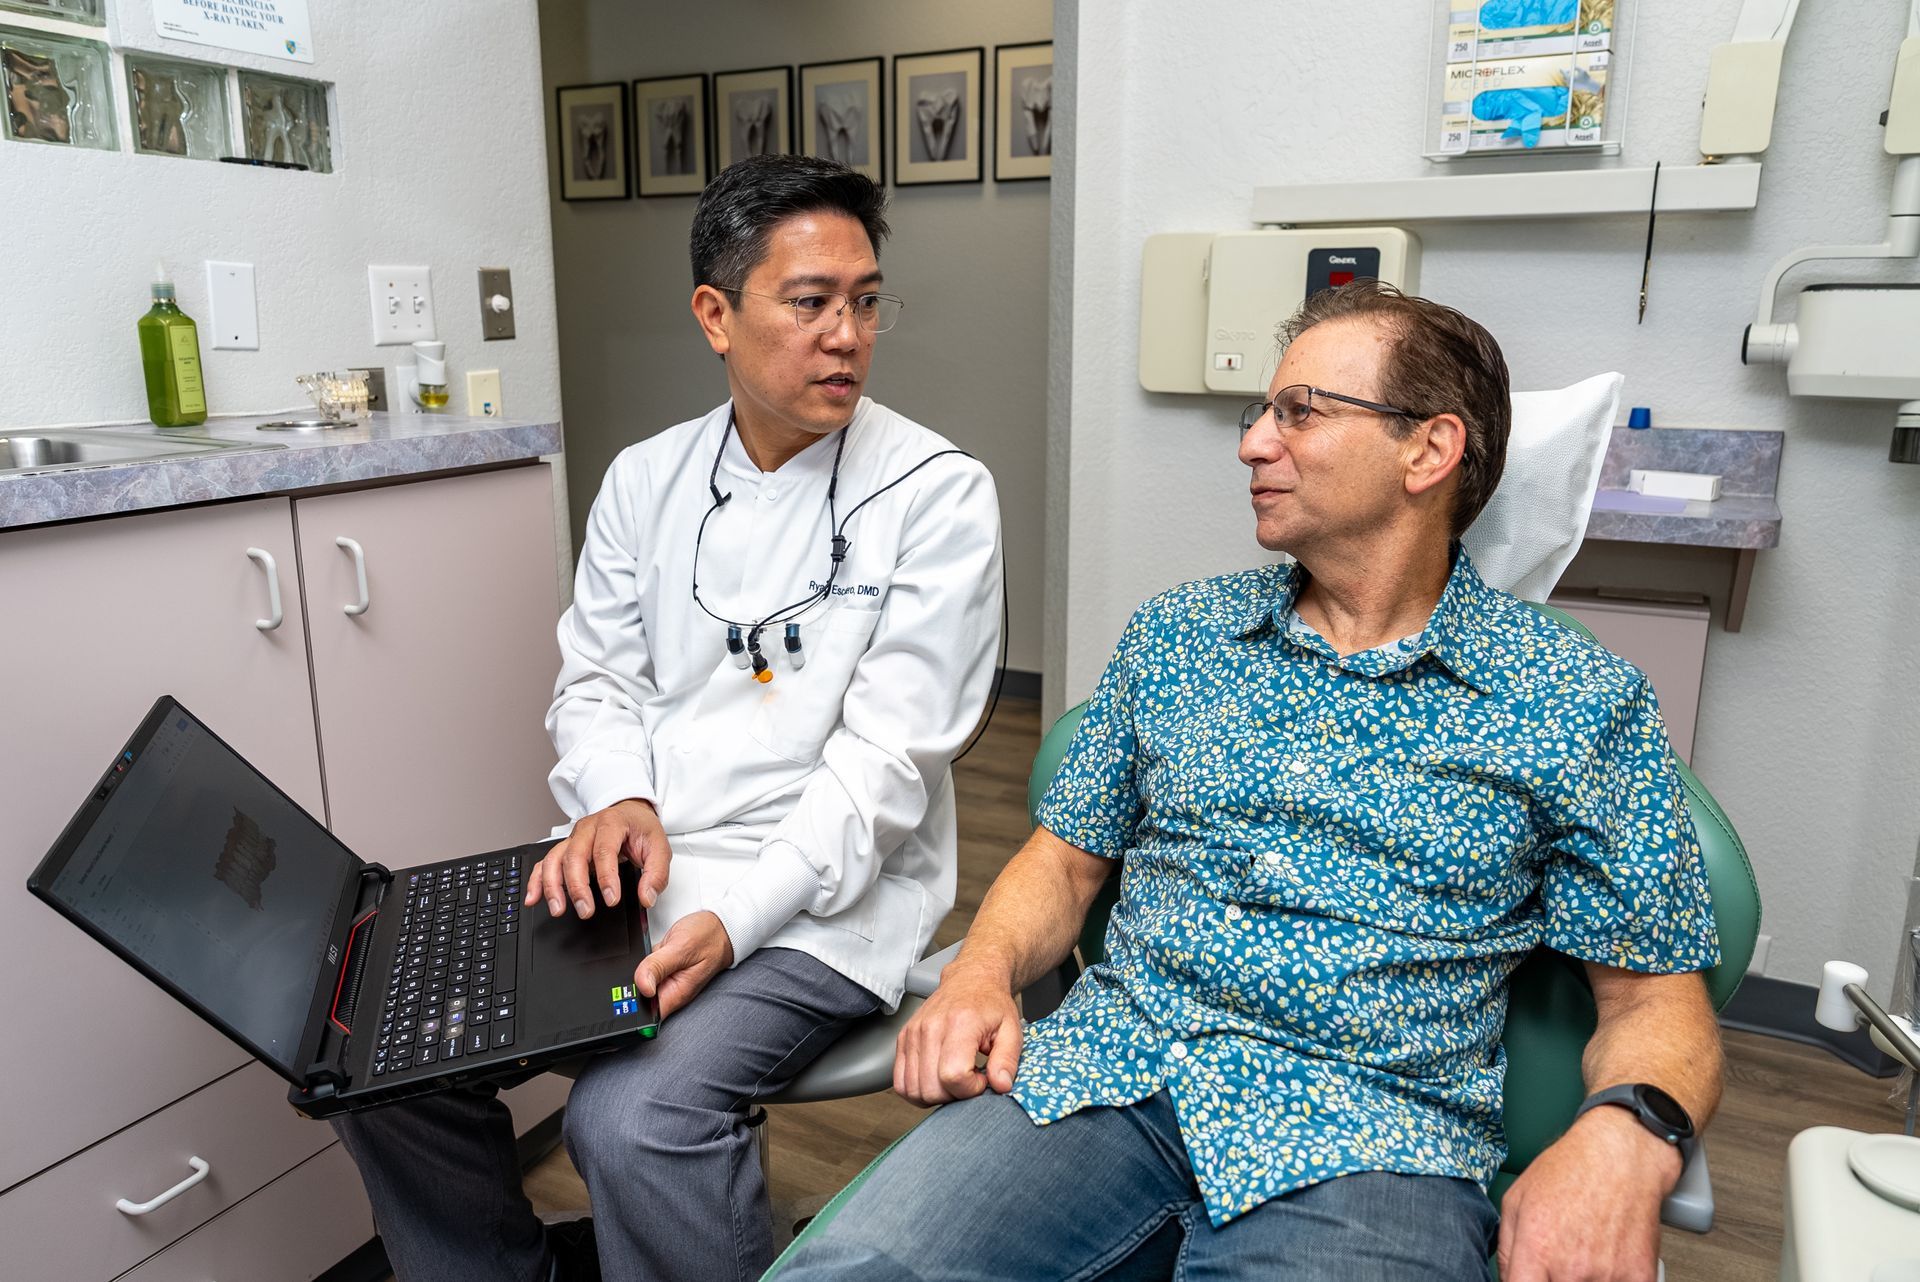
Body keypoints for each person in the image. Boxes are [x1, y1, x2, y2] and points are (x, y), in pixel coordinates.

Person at [779, 280, 1722, 1282]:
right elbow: (1062, 864)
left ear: (1429, 450)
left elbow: (1657, 1000)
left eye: (1300, 411)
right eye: (1261, 412)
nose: (1254, 443)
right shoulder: (1181, 637)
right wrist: (979, 971)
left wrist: (1628, 1137)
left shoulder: (1573, 700)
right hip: (1105, 1085)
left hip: (1375, 1145)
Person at [332, 153, 1004, 1282]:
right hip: (639, 872)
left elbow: (887, 767)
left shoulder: (936, 493)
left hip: (817, 896)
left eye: (867, 301)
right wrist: (621, 796)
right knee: (377, 1053)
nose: (847, 334)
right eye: (810, 302)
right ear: (715, 315)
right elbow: (596, 680)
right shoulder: (647, 480)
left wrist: (735, 918)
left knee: (631, 1122)